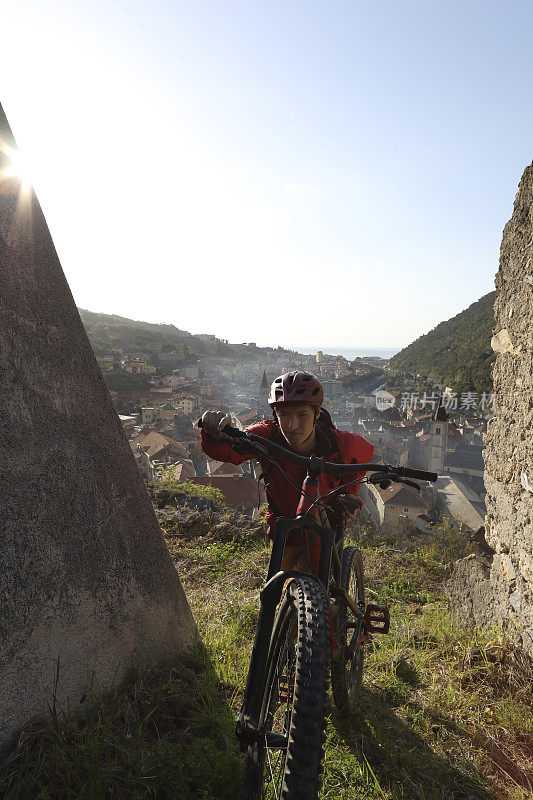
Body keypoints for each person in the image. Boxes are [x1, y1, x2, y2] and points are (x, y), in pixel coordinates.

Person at [200, 371, 373, 572]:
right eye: (284, 415)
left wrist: (347, 493)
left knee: (323, 591)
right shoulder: (267, 435)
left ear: (317, 414)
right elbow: (230, 450)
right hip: (283, 532)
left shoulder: (341, 442)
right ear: (276, 415)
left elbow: (364, 457)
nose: (292, 426)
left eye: (302, 415)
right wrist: (214, 430)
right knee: (279, 591)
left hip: (325, 529)